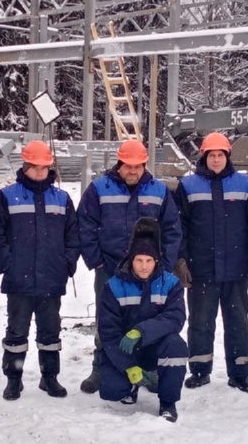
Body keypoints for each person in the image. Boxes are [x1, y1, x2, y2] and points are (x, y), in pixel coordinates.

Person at [77, 139, 182, 394]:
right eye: (128, 166)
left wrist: (164, 265)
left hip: (149, 271)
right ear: (119, 164)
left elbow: (172, 229)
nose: (132, 171)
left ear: (145, 165)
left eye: (137, 166)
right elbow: (85, 225)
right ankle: (101, 366)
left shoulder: (158, 191)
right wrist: (96, 260)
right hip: (110, 267)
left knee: (151, 317)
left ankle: (151, 366)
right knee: (107, 320)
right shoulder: (99, 189)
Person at [173, 132, 248, 392]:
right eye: (211, 155)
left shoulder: (246, 185)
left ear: (227, 156)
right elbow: (178, 227)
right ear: (204, 157)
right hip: (201, 269)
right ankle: (200, 370)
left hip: (236, 269)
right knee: (200, 323)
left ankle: (239, 373)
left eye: (220, 155)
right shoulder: (188, 186)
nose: (215, 160)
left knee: (238, 323)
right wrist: (181, 260)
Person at [0, 140, 80, 401]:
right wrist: (7, 262)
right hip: (18, 279)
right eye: (35, 167)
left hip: (51, 278)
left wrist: (67, 263)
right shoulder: (7, 196)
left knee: (50, 331)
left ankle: (49, 377)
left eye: (44, 167)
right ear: (25, 166)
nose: (40, 171)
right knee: (16, 332)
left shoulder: (61, 198)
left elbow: (73, 236)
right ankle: (14, 379)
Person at [98, 217, 188, 422]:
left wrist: (141, 331)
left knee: (176, 346)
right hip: (125, 346)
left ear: (156, 261)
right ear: (131, 260)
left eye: (149, 261)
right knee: (112, 389)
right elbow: (108, 331)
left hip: (156, 345)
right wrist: (128, 365)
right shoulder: (114, 285)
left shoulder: (170, 283)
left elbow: (175, 318)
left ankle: (168, 402)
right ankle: (131, 385)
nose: (144, 266)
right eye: (139, 260)